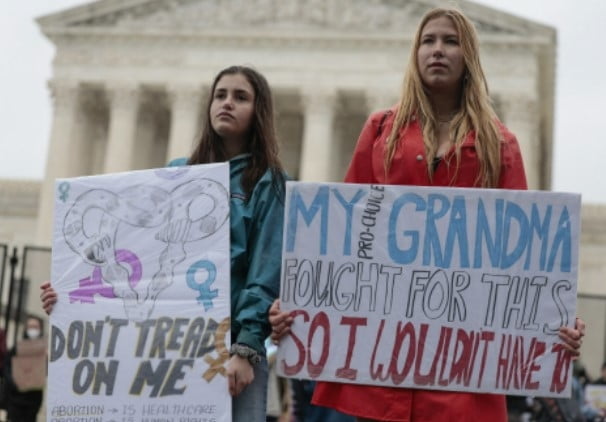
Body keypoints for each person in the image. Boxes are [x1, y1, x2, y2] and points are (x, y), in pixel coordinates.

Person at [269, 7, 586, 422]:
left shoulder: (500, 144)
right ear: (415, 53)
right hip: (385, 367)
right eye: (428, 40)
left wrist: (554, 322)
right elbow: (340, 239)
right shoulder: (380, 131)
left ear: (468, 55)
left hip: (461, 372)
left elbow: (522, 258)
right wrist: (300, 306)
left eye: (451, 42)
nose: (438, 50)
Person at [41, 65, 287, 422]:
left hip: (230, 346)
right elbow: (137, 253)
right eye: (220, 95)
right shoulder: (177, 173)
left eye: (240, 97)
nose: (227, 103)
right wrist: (70, 298)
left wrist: (247, 348)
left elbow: (265, 270)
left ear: (259, 110)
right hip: (168, 345)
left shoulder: (265, 182)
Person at [3, 315, 46, 422]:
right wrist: (13, 382)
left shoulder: (43, 350)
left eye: (36, 327)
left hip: (33, 400)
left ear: (40, 329)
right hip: (16, 399)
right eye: (30, 327)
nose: (33, 330)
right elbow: (7, 367)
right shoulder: (18, 347)